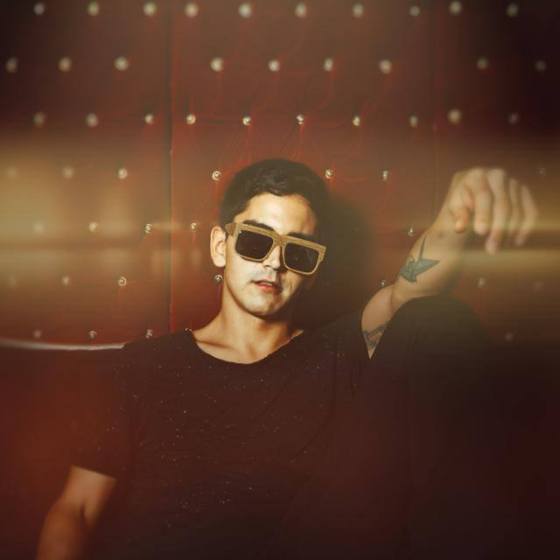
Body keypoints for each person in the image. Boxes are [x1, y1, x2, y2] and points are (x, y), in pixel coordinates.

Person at [36, 160, 538, 559]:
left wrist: (457, 213)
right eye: (256, 241)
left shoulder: (339, 350)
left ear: (312, 271)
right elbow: (76, 510)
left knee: (438, 320)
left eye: (297, 252)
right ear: (221, 247)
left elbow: (412, 296)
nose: (274, 262)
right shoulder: (142, 367)